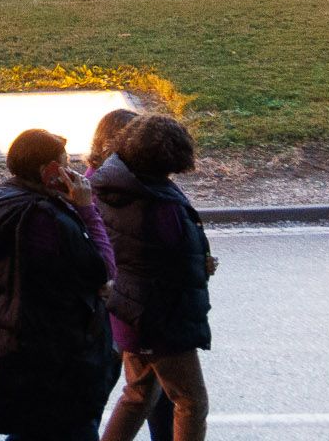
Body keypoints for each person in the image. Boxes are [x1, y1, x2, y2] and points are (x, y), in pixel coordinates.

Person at [0, 128, 116, 441]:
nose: (74, 172)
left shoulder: (0, 205)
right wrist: (86, 208)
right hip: (54, 357)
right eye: (65, 164)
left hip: (24, 349)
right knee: (68, 428)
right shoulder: (43, 218)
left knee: (35, 429)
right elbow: (103, 270)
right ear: (49, 172)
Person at [93, 116, 214, 441]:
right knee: (191, 403)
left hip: (129, 313)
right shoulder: (159, 205)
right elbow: (174, 262)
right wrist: (201, 265)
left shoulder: (115, 187)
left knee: (138, 395)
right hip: (161, 320)